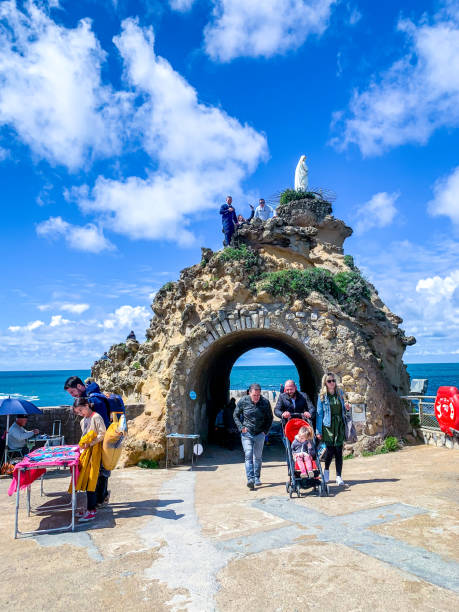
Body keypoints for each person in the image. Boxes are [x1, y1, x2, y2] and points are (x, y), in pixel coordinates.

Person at [73, 397, 107, 522]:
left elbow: (102, 434)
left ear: (87, 405)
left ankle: (91, 510)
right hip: (86, 453)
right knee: (85, 481)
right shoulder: (84, 420)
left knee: (91, 481)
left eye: (81, 410)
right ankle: (89, 508)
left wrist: (90, 443)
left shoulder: (96, 417)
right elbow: (84, 436)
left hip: (95, 453)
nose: (81, 413)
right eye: (78, 412)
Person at [233, 383, 273, 490]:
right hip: (247, 433)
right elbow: (235, 415)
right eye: (254, 395)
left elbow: (270, 418)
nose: (256, 397)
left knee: (258, 457)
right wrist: (241, 427)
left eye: (258, 395)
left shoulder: (265, 402)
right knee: (248, 454)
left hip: (260, 433)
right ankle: (250, 479)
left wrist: (265, 431)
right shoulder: (243, 401)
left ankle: (257, 477)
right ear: (249, 393)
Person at [316, 372, 351, 487]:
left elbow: (344, 410)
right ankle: (326, 472)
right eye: (329, 381)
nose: (332, 383)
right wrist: (318, 431)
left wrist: (347, 408)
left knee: (338, 451)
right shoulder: (322, 396)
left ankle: (338, 476)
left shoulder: (340, 393)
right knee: (330, 451)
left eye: (333, 381)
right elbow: (319, 414)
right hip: (328, 426)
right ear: (325, 383)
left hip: (339, 425)